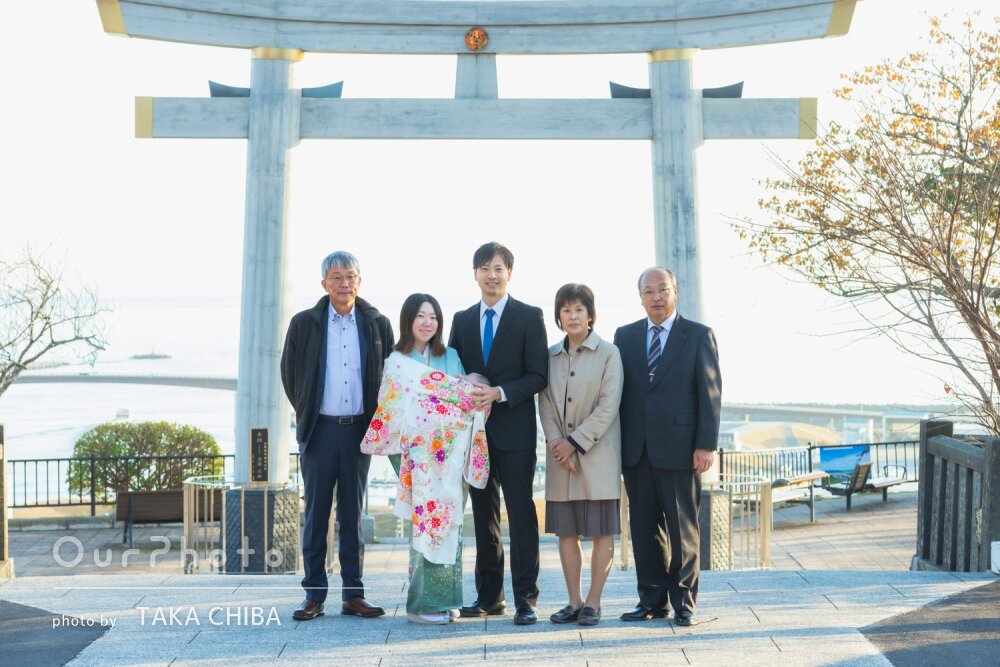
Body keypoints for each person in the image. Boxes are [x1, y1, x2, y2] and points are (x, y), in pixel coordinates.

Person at [361, 293, 489, 625]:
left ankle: (446, 600)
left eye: (433, 316)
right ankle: (421, 606)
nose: (427, 322)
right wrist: (417, 448)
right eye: (420, 316)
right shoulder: (396, 361)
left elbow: (464, 403)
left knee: (451, 528)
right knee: (425, 526)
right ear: (408, 320)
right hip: (415, 459)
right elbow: (388, 410)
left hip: (448, 459)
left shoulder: (451, 357)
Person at [280, 251, 394, 622]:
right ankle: (313, 595)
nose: (344, 284)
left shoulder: (377, 324)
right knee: (315, 515)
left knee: (352, 514)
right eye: (336, 277)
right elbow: (290, 374)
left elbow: (388, 376)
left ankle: (353, 595)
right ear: (324, 283)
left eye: (350, 277)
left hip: (359, 431)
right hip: (319, 431)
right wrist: (308, 413)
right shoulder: (304, 323)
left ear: (359, 281)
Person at [448, 242, 549, 625]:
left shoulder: (528, 316)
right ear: (474, 274)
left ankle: (527, 598)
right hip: (474, 437)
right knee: (483, 516)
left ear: (510, 273)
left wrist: (500, 393)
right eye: (485, 268)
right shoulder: (460, 319)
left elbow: (538, 375)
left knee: (521, 516)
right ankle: (490, 596)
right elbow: (455, 374)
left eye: (499, 268)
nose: (492, 275)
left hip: (516, 435)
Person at [614, 267, 721, 627]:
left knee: (682, 529)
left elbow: (710, 395)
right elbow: (620, 394)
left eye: (663, 289)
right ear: (640, 297)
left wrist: (705, 445)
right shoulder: (625, 336)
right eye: (649, 291)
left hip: (681, 449)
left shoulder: (698, 335)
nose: (656, 297)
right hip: (636, 450)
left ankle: (685, 602)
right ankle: (651, 599)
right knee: (644, 530)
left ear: (676, 291)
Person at [538, 284, 624, 627]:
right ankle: (573, 601)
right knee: (566, 532)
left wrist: (574, 442)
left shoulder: (609, 353)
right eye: (566, 310)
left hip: (597, 456)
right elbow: (543, 403)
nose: (572, 316)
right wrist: (558, 443)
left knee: (602, 531)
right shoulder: (549, 355)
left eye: (579, 309)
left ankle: (593, 601)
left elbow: (609, 405)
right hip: (561, 460)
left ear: (591, 315)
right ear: (558, 316)